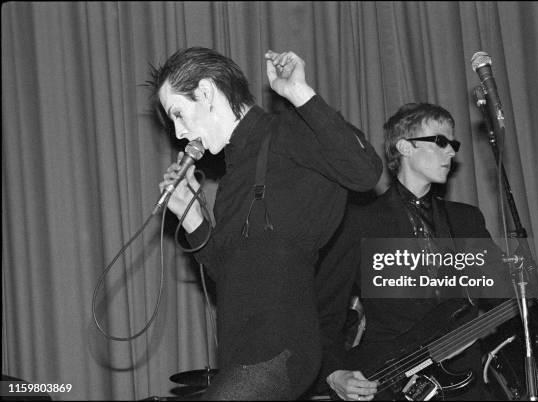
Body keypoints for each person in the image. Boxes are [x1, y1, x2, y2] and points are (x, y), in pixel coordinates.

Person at [314, 102, 538, 401]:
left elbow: (503, 296)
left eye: (453, 143)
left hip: (464, 382)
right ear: (404, 147)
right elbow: (323, 312)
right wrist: (335, 373)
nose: (451, 151)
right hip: (386, 380)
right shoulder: (360, 220)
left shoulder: (465, 220)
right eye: (440, 142)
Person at [148, 47, 382, 400]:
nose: (179, 133)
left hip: (281, 348)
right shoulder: (230, 178)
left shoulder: (288, 130)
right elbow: (225, 272)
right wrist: (192, 215)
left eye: (179, 114)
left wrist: (299, 93)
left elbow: (366, 172)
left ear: (207, 92)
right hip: (241, 353)